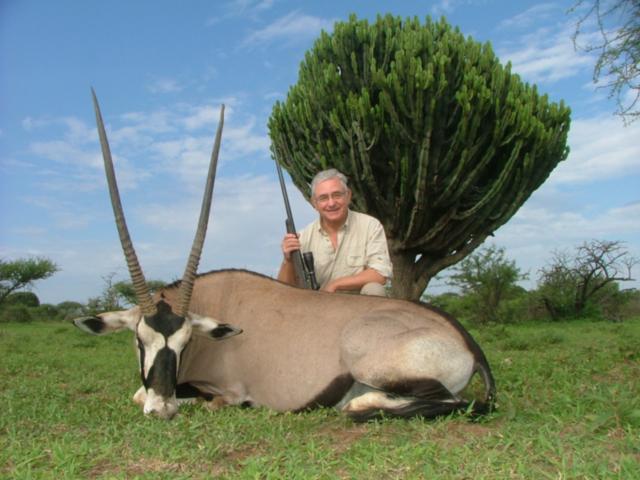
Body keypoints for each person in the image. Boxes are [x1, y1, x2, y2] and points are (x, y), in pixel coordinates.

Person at [277, 168, 392, 296]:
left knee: (374, 289)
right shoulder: (302, 238)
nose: (331, 203)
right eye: (323, 198)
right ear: (314, 203)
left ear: (348, 196)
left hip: (360, 305)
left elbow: (380, 273)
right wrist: (287, 260)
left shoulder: (370, 226)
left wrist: (335, 285)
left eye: (337, 195)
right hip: (319, 305)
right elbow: (284, 291)